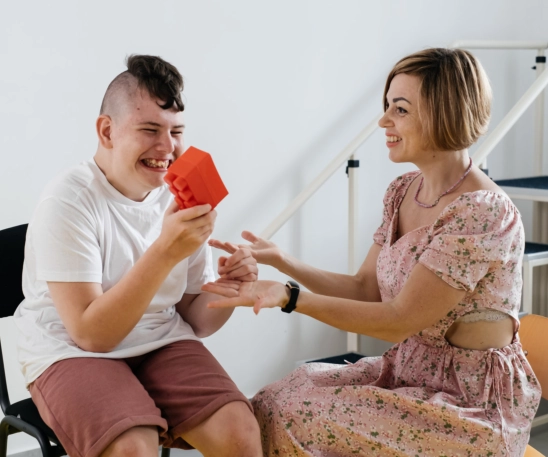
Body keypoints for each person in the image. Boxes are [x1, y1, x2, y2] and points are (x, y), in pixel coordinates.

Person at [204, 48, 541, 456]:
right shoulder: (402, 191)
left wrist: (290, 298)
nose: (384, 121)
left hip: (469, 405)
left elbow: (397, 321)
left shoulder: (483, 213)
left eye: (400, 109)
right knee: (280, 394)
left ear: (444, 112)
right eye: (387, 107)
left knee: (296, 411)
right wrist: (281, 260)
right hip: (410, 372)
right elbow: (366, 288)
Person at [14, 55, 262, 457]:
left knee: (240, 432)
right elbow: (91, 335)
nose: (167, 148)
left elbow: (195, 318)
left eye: (176, 132)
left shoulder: (180, 197)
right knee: (132, 447)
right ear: (107, 131)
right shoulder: (67, 201)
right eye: (150, 130)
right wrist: (165, 251)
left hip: (158, 339)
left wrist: (231, 291)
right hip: (72, 348)